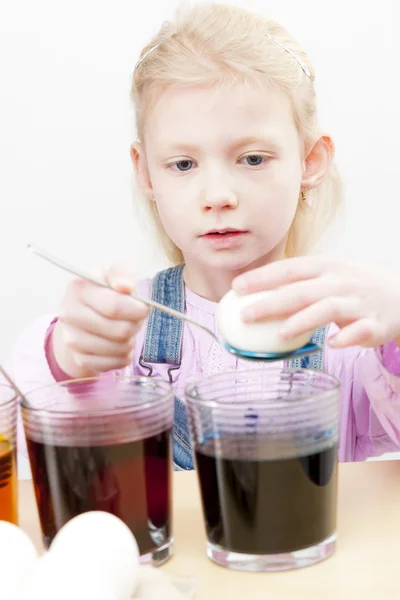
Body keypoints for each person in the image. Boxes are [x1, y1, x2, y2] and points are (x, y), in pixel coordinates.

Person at [7, 2, 400, 469]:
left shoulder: (352, 339)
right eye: (184, 164)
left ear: (309, 162)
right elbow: (26, 456)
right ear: (147, 172)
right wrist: (66, 357)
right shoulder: (122, 336)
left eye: (252, 159)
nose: (217, 195)